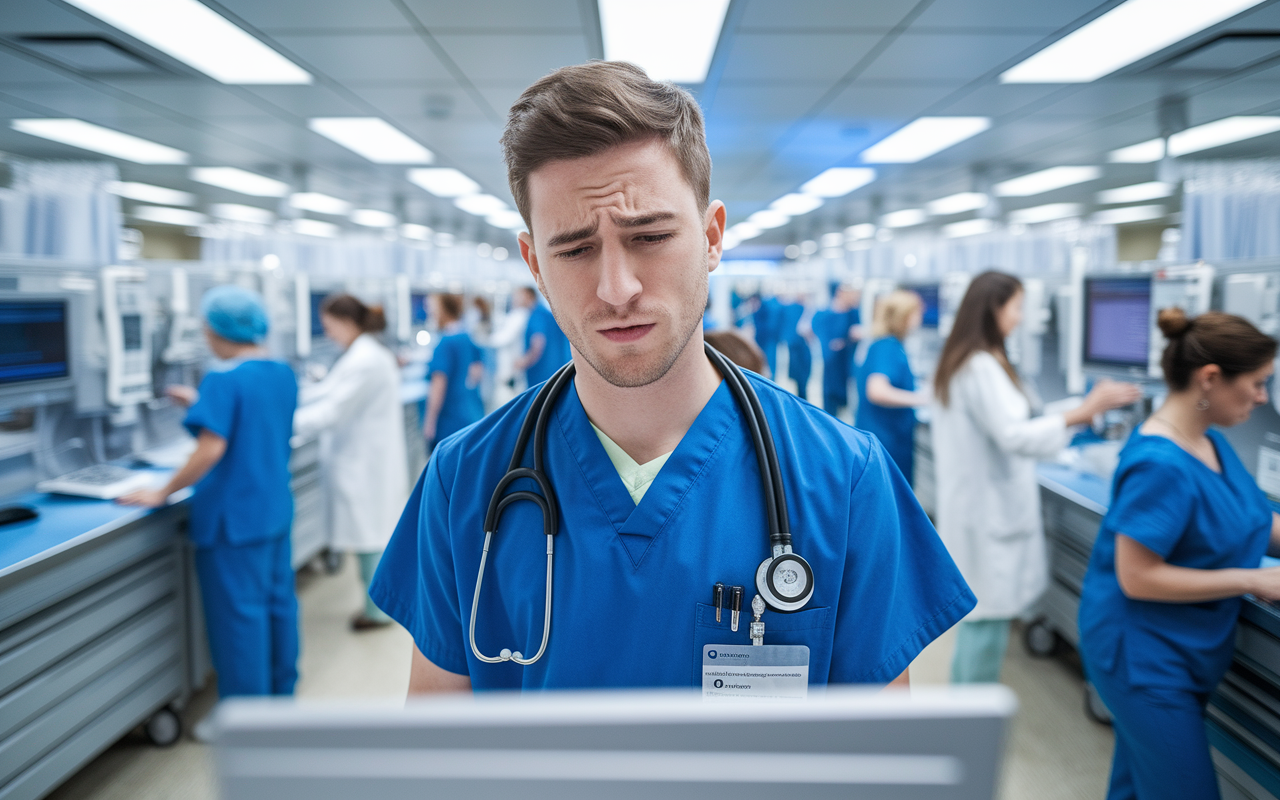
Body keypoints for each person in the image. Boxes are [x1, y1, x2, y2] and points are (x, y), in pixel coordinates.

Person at [370, 61, 974, 694]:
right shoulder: (464, 480)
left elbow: (876, 764)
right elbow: (444, 753)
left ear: (712, 237)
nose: (617, 288)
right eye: (574, 250)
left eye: (650, 236)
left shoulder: (843, 480)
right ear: (534, 265)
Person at [1078, 309, 1279, 800]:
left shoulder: (1208, 443)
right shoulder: (1159, 463)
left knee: (1137, 784)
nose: (1263, 398)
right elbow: (1137, 576)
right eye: (1256, 384)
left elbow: (1254, 522)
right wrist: (1252, 580)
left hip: (1183, 652)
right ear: (1210, 378)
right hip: (1143, 658)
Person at [931, 270, 1141, 684]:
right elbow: (1014, 434)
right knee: (984, 625)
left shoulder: (975, 360)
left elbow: (1022, 418)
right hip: (986, 515)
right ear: (994, 309)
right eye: (1017, 307)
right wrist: (1082, 412)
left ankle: (966, 718)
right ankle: (968, 730)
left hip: (979, 508)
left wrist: (1081, 410)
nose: (1022, 318)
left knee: (982, 623)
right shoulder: (979, 367)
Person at [120, 286, 299, 727]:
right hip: (272, 511)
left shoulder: (223, 379)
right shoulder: (280, 372)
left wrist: (162, 491)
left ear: (217, 330)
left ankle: (245, 724)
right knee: (278, 608)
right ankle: (280, 705)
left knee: (239, 622)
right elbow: (253, 420)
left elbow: (210, 450)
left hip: (232, 523)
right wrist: (202, 404)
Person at [294, 293, 408, 631]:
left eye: (329, 326)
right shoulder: (361, 355)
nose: (327, 334)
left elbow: (332, 411)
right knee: (368, 533)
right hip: (363, 459)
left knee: (370, 534)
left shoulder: (366, 360)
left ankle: (377, 613)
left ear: (346, 322)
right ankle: (376, 609)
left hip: (365, 463)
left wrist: (278, 421)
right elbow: (326, 392)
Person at [855, 290, 930, 483]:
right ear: (904, 317)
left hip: (887, 436)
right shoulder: (887, 347)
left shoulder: (884, 344)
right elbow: (877, 391)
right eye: (917, 313)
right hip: (886, 439)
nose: (920, 318)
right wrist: (922, 399)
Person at [424, 293, 486, 447]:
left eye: (433, 310)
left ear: (443, 311)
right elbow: (477, 372)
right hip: (471, 413)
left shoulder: (445, 343)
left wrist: (430, 422)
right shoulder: (466, 337)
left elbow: (438, 384)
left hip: (450, 420)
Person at [811, 286, 861, 417]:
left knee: (844, 393)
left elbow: (855, 334)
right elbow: (814, 329)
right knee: (829, 394)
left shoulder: (853, 313)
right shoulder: (825, 313)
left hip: (845, 359)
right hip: (830, 360)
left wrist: (847, 340)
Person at [515, 289, 571, 387]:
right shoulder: (546, 313)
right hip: (555, 370)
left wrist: (523, 362)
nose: (515, 300)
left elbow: (538, 343)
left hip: (542, 373)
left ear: (528, 296)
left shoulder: (537, 315)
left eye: (518, 296)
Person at [780, 295, 812, 398]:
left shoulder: (806, 309)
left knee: (801, 376)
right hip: (797, 345)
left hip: (799, 345)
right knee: (800, 376)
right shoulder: (796, 309)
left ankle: (801, 395)